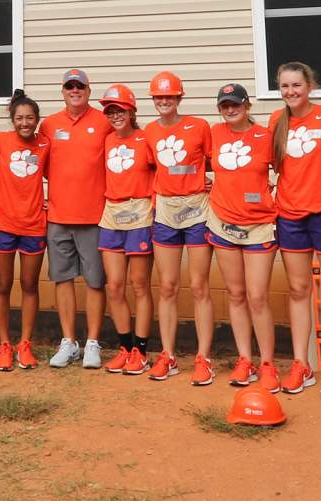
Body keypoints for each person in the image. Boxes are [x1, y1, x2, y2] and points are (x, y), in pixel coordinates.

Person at [267, 62, 321, 396]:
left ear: (310, 86)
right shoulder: (277, 120)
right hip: (289, 215)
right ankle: (301, 364)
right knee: (298, 289)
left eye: (297, 86)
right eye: (285, 86)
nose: (291, 92)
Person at [142, 71, 215, 386]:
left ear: (179, 98)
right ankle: (168, 355)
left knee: (199, 287)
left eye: (169, 96)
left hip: (197, 209)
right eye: (159, 97)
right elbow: (149, 167)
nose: (163, 102)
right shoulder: (149, 131)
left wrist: (211, 184)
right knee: (168, 286)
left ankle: (203, 358)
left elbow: (216, 161)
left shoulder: (199, 126)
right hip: (166, 212)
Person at [207, 83, 280, 392]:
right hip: (223, 221)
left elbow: (287, 171)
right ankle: (244, 359)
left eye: (235, 103)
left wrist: (273, 195)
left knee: (258, 296)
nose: (230, 109)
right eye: (224, 105)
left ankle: (267, 363)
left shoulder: (266, 135)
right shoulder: (213, 133)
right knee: (235, 294)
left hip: (259, 224)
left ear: (247, 105)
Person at [38, 69, 113, 369]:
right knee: (63, 278)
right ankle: (69, 342)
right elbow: (37, 160)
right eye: (69, 86)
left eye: (79, 86)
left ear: (88, 90)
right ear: (63, 91)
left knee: (95, 281)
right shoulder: (49, 124)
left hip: (94, 216)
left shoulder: (104, 122)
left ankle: (93, 342)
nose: (74, 90)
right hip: (58, 215)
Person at [0, 89, 50, 371]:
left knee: (29, 285)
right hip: (3, 224)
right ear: (12, 119)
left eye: (30, 118)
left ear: (37, 120)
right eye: (20, 118)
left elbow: (62, 173)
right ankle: (4, 344)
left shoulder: (46, 145)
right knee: (2, 285)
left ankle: (25, 344)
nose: (25, 123)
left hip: (34, 224)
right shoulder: (0, 141)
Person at [97, 84, 155, 375]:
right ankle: (125, 346)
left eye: (120, 109)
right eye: (110, 111)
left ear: (132, 110)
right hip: (111, 213)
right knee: (115, 285)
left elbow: (166, 170)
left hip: (140, 213)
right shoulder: (107, 140)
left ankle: (141, 351)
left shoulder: (146, 138)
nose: (115, 115)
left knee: (139, 284)